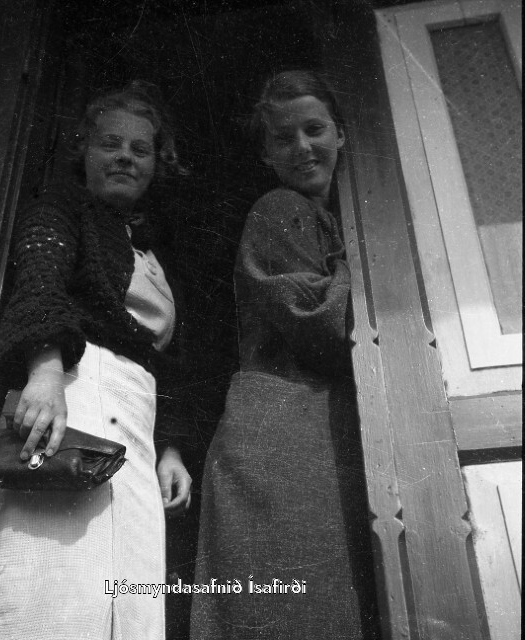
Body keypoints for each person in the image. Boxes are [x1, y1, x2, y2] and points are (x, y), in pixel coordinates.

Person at [0, 80, 192, 640]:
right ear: (84, 150)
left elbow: (168, 362)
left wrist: (171, 448)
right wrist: (45, 373)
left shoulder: (154, 251)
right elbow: (40, 284)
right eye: (110, 143)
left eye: (140, 149)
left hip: (137, 421)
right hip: (75, 390)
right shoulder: (61, 208)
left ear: (155, 166)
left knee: (127, 589)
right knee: (53, 574)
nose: (125, 157)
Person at [190, 70, 380, 639]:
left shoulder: (330, 217)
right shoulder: (281, 208)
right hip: (282, 436)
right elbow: (325, 326)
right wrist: (365, 269)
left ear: (340, 134)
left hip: (298, 431)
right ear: (266, 155)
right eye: (282, 138)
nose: (302, 146)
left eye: (314, 129)